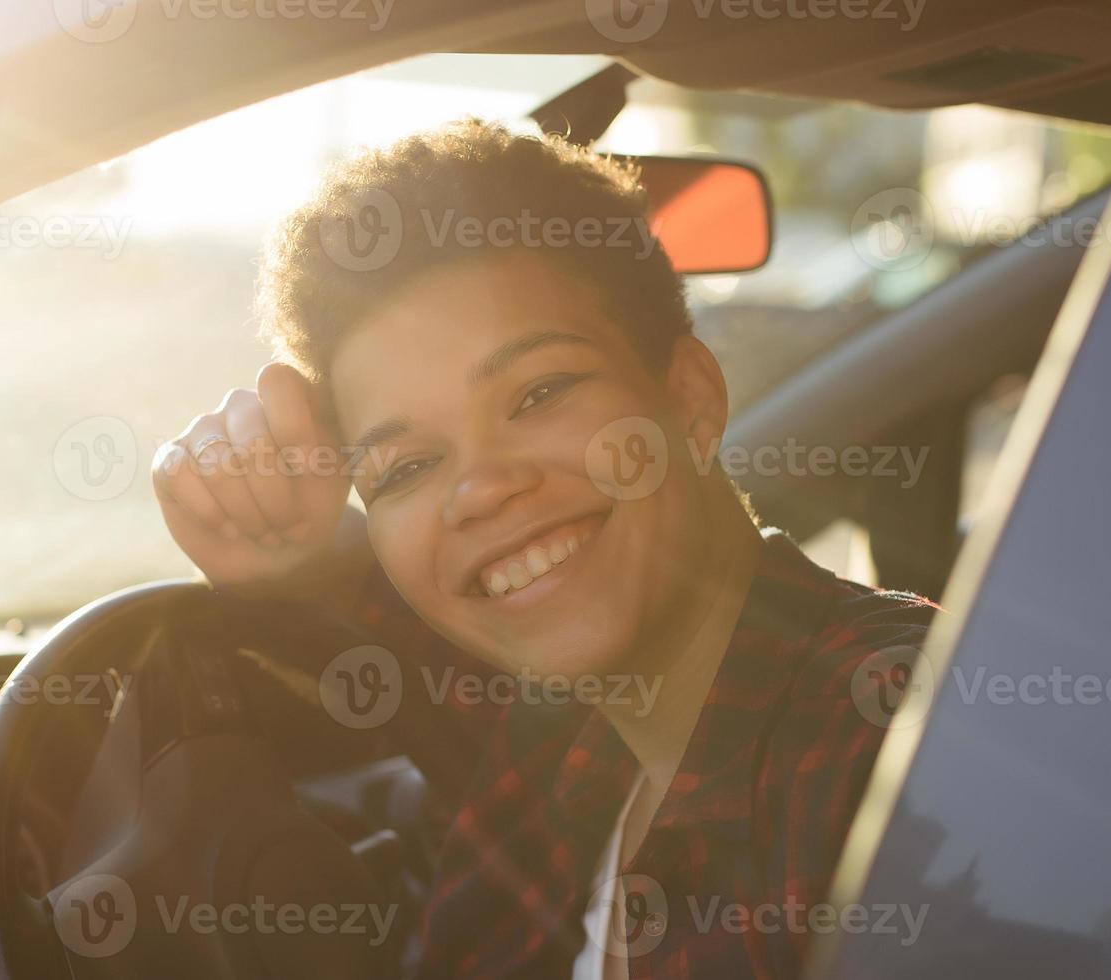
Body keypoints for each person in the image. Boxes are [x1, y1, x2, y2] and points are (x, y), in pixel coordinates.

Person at [151, 119, 936, 979]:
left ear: (690, 400)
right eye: (407, 466)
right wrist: (287, 543)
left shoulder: (901, 736)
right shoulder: (552, 748)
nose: (480, 489)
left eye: (539, 394)